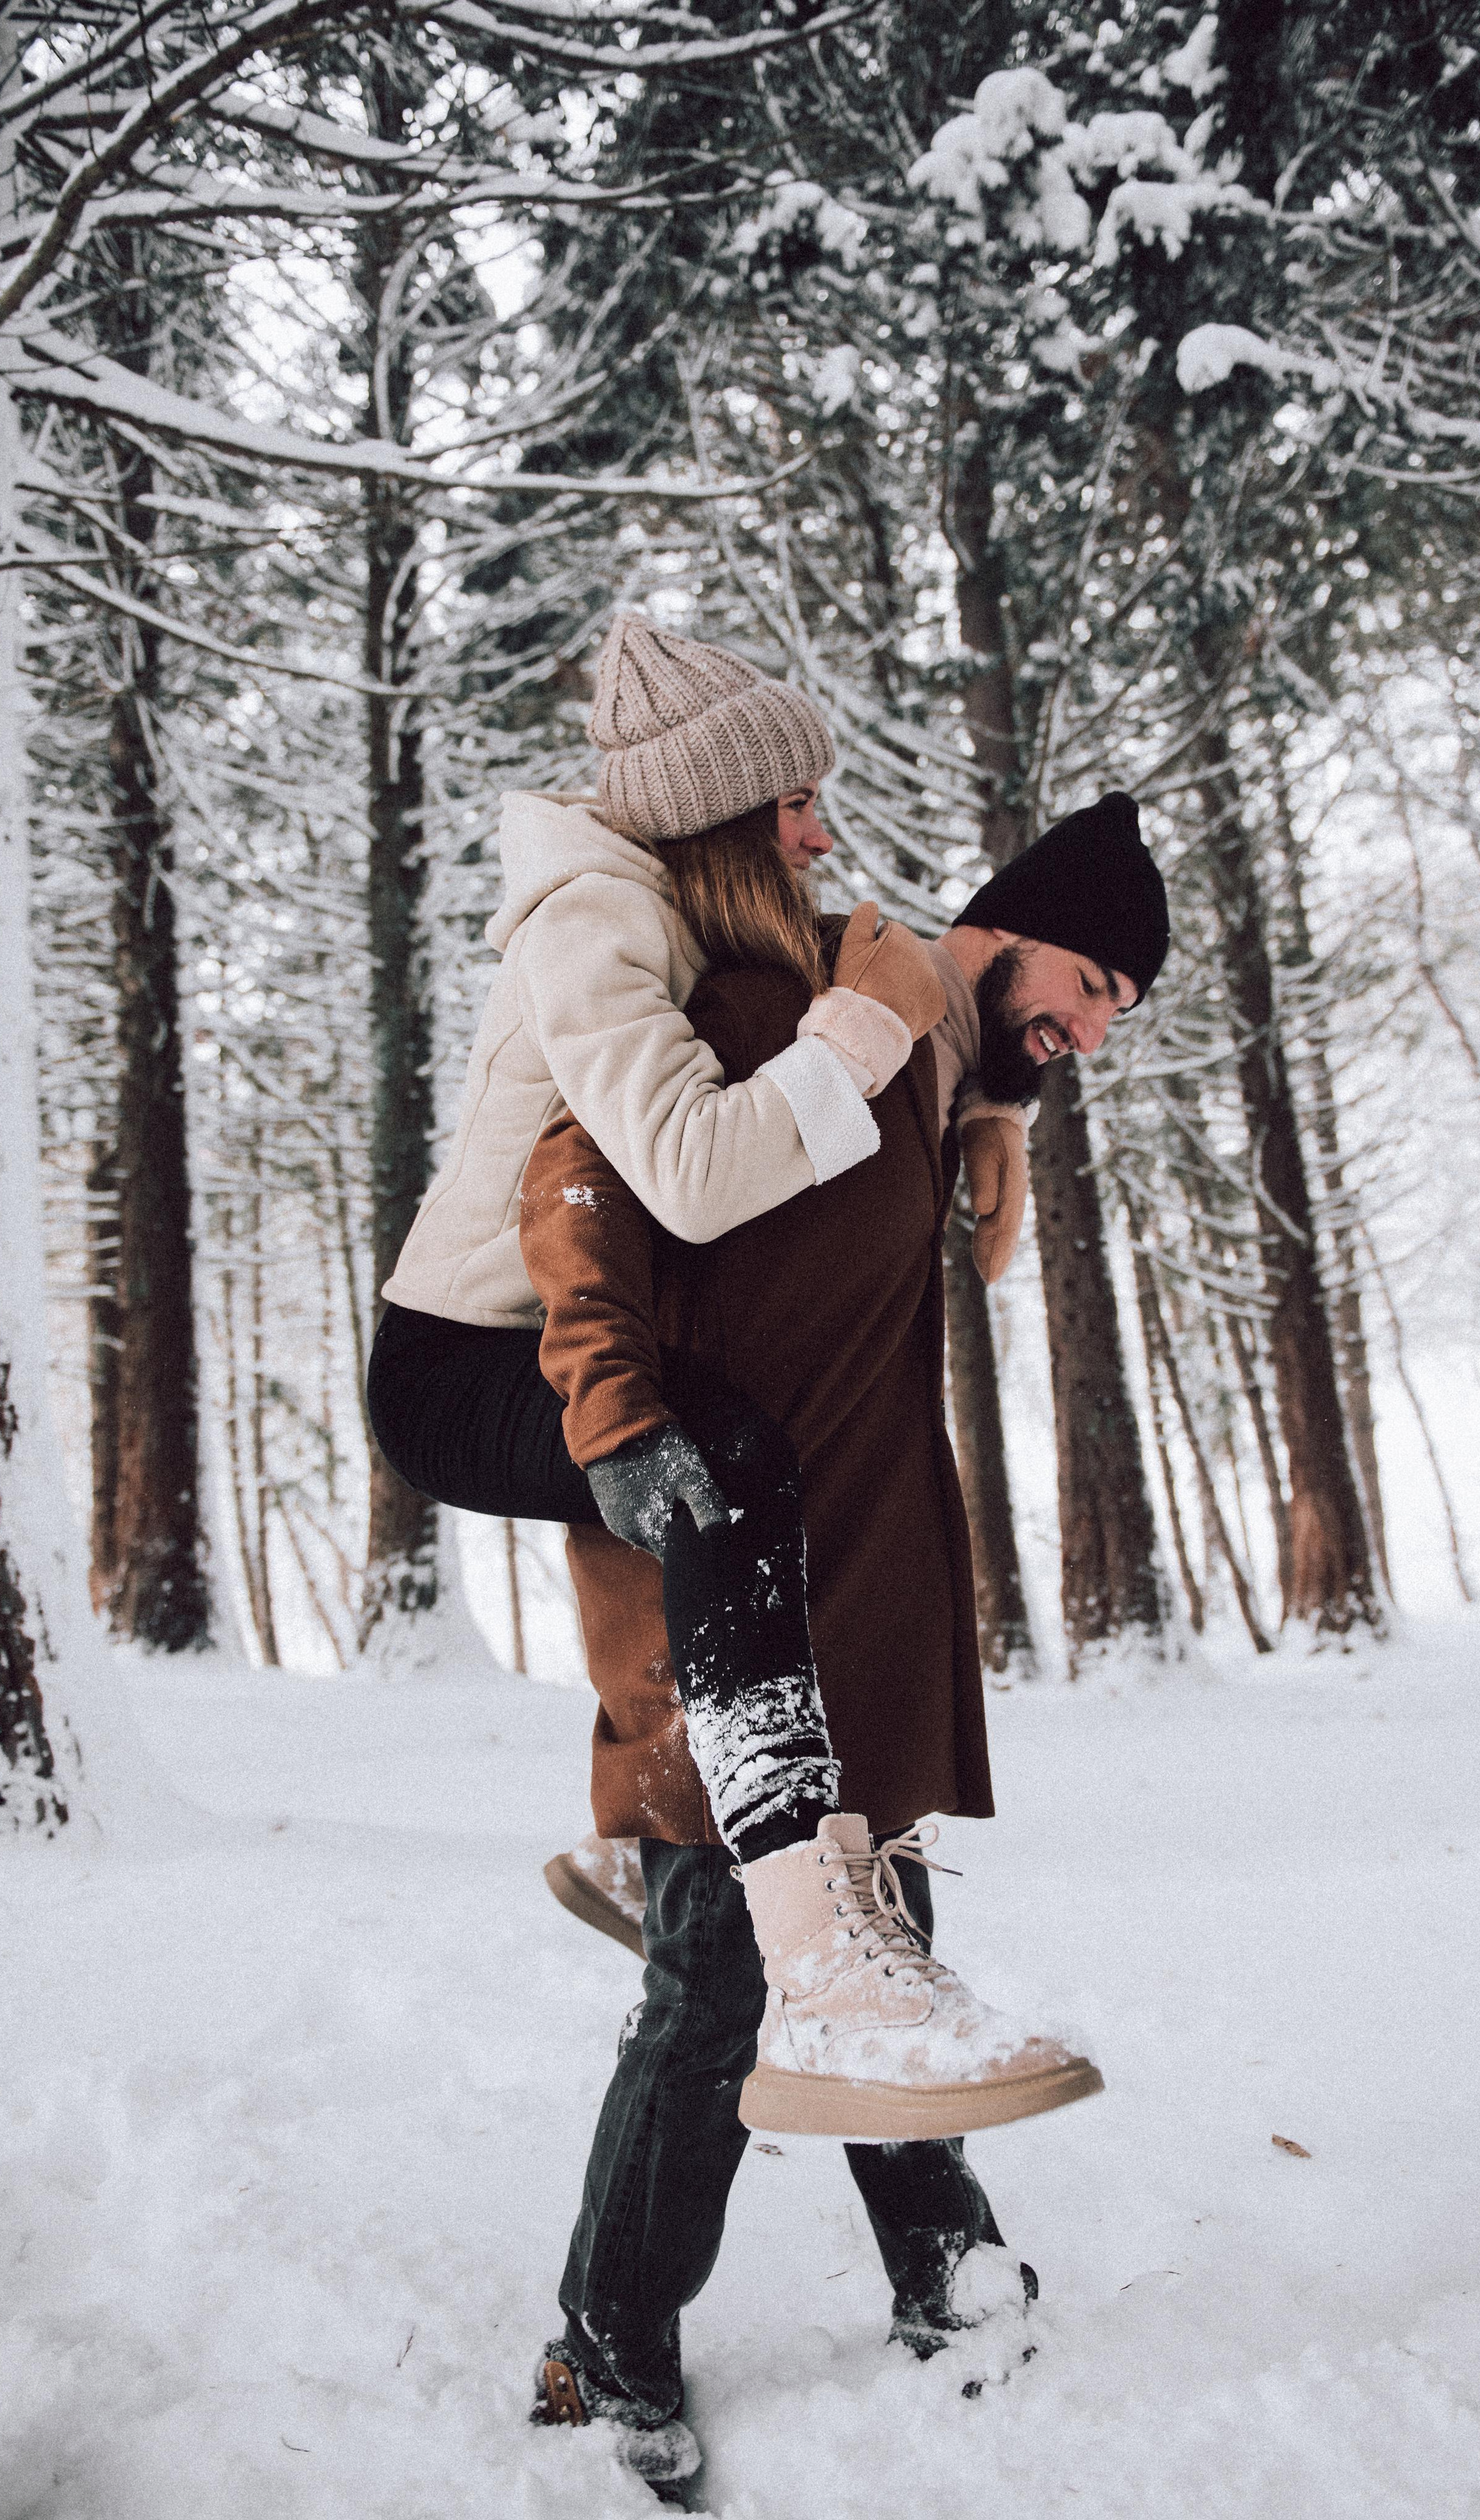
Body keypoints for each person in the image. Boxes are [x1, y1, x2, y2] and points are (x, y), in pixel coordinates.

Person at [517, 798, 1169, 2498]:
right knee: (718, 1982)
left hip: (854, 1594)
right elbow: (577, 1165)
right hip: (709, 1577)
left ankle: (945, 2265)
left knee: (891, 1953)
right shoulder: (812, 1005)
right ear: (1006, 923)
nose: (1095, 1026)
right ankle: (606, 2340)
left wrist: (989, 1097)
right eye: (1089, 979)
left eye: (1120, 1009)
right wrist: (610, 1409)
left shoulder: (948, 1083)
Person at [369, 615, 1058, 2066]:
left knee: (730, 1443)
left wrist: (993, 1103)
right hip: (463, 1363)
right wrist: (862, 1045)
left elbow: (879, 975)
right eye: (796, 804)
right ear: (722, 810)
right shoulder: (592, 922)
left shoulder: (685, 912)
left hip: (566, 1343)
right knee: (725, 1456)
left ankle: (653, 1848)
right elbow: (688, 1163)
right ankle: (806, 1919)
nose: (819, 837)